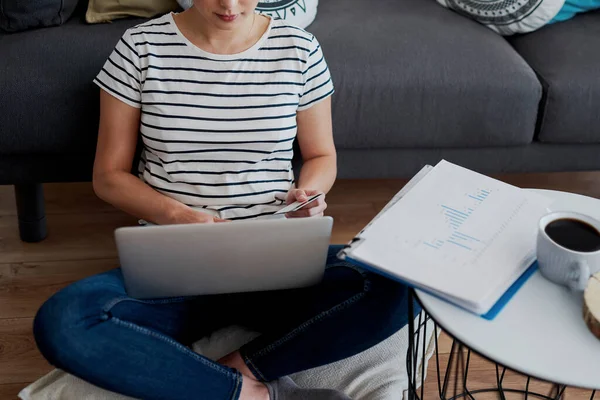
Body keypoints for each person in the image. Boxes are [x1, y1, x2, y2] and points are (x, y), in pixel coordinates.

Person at [33, 1, 416, 399]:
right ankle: (248, 394)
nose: (230, 5)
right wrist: (178, 216)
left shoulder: (299, 48)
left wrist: (310, 195)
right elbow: (109, 177)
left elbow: (321, 156)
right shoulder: (140, 46)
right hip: (177, 264)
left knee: (398, 281)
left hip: (276, 260)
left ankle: (238, 370)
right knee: (64, 320)